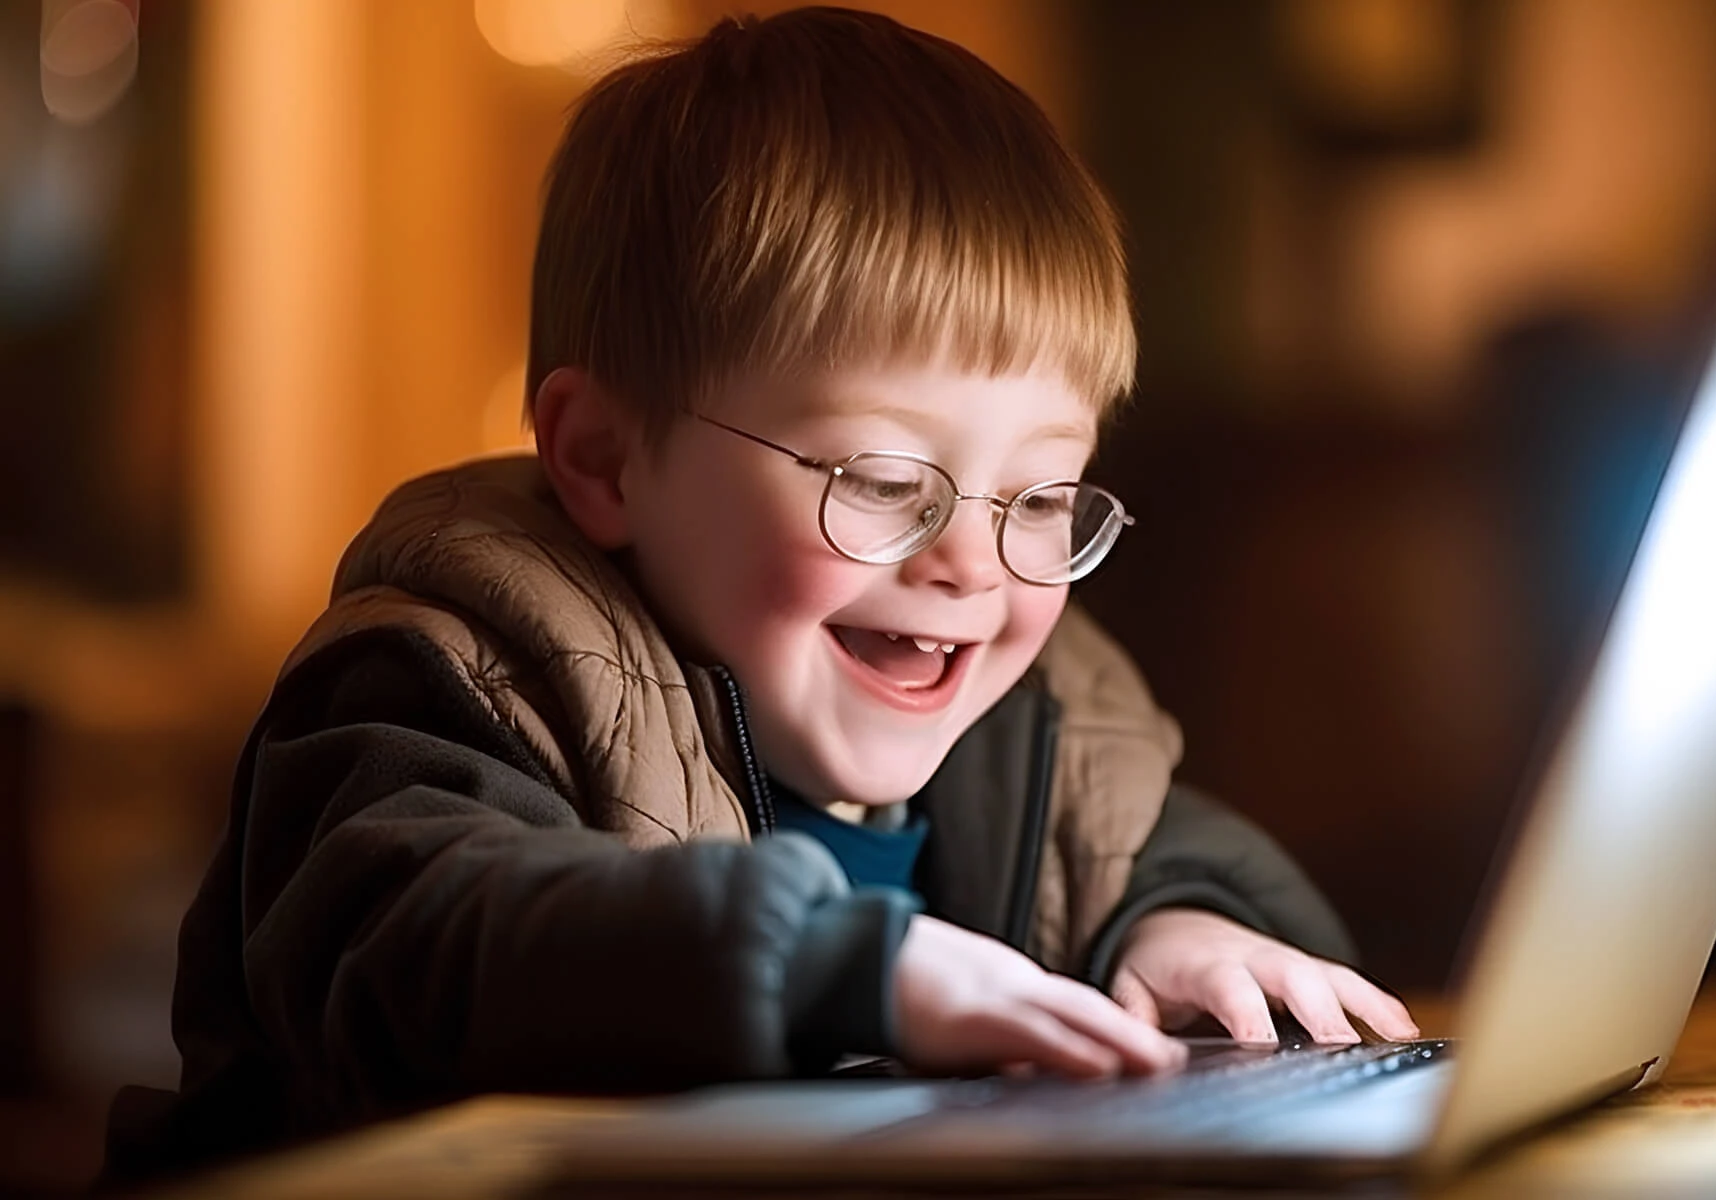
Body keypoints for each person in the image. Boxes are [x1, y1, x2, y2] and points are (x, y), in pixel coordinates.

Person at [106, 5, 1416, 1181]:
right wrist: (850, 968)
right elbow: (418, 953)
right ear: (606, 459)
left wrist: (1177, 928)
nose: (968, 564)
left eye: (1035, 501)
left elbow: (1190, 857)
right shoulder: (454, 671)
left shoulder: (1045, 718)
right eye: (886, 481)